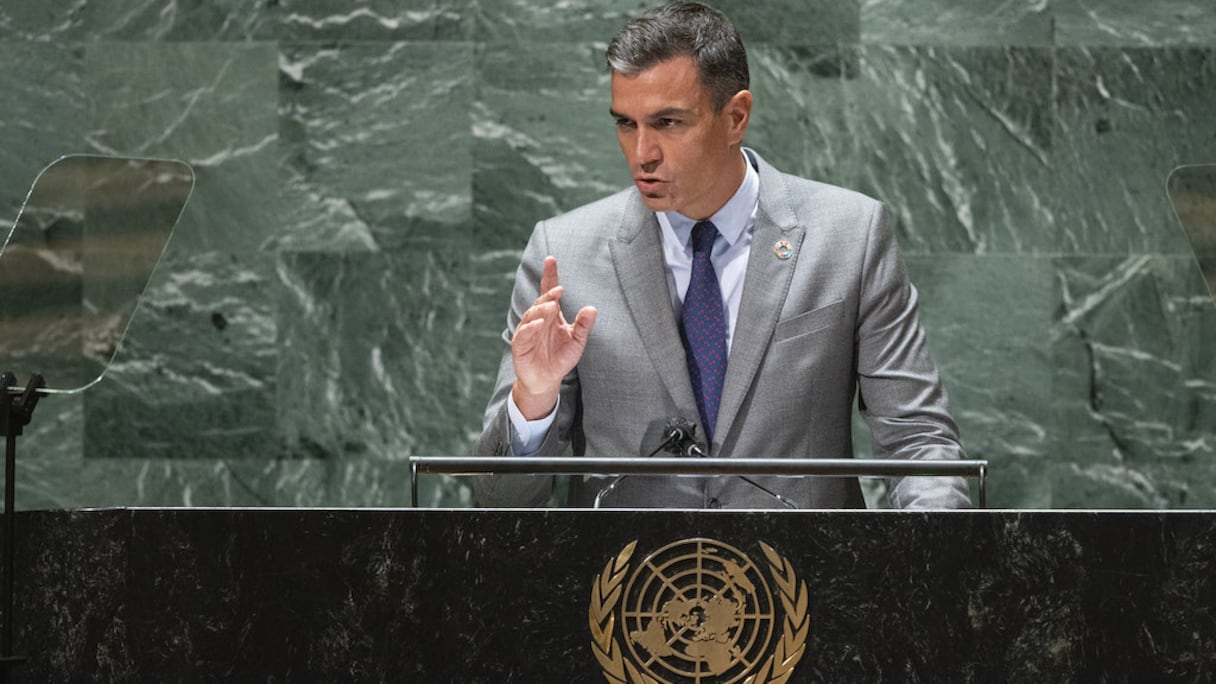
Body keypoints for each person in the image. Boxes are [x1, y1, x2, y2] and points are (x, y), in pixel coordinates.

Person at [473, 1, 970, 509]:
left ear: (735, 117)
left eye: (667, 123)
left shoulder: (850, 236)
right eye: (626, 123)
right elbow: (497, 504)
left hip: (808, 580)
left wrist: (929, 563)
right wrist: (533, 400)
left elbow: (919, 445)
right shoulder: (563, 254)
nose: (642, 152)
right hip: (627, 584)